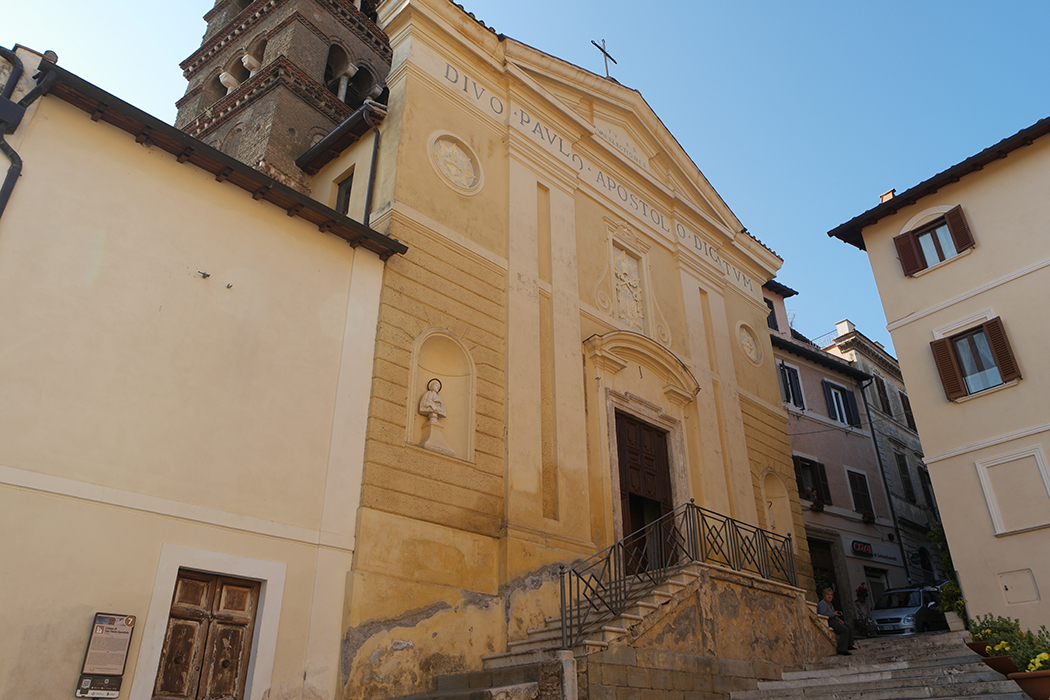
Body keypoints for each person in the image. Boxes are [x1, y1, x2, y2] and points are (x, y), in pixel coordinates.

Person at [817, 588, 856, 655]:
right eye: (828, 595)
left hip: (834, 619)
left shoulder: (830, 604)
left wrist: (838, 619)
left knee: (848, 626)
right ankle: (841, 649)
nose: (829, 596)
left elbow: (834, 614)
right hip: (828, 621)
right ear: (824, 596)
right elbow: (822, 614)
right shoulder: (823, 603)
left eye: (831, 595)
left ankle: (849, 645)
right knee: (844, 630)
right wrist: (833, 614)